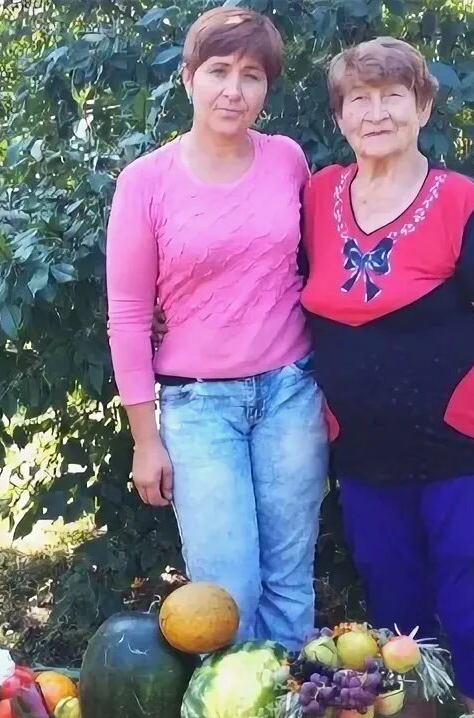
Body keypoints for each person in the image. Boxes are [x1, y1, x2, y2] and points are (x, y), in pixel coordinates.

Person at [300, 38, 474, 718]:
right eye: (360, 97)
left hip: (467, 454)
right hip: (364, 458)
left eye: (393, 96)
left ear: (422, 107)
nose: (376, 111)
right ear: (340, 115)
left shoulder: (459, 203)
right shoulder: (317, 195)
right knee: (395, 609)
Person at [105, 7, 328, 651]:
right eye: (219, 71)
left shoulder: (287, 160)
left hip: (291, 392)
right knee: (226, 592)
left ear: (267, 87)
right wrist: (146, 441)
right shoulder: (145, 182)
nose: (234, 89)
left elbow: (314, 268)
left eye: (252, 75)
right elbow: (126, 318)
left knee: (290, 576)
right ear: (188, 79)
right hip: (198, 408)